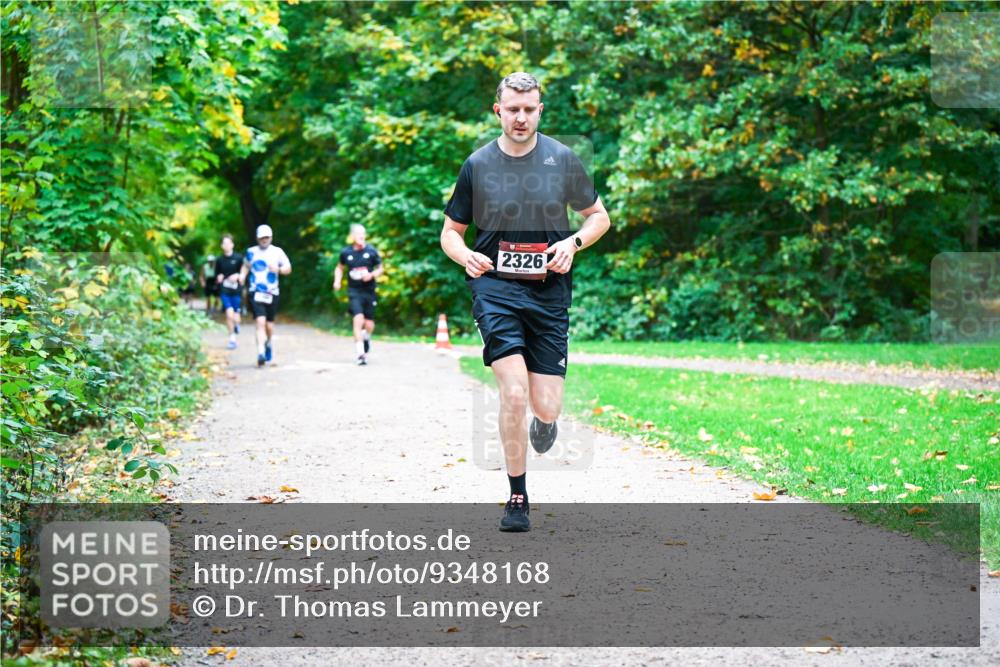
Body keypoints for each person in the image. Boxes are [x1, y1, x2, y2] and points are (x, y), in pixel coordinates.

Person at [440, 72, 611, 532]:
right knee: (512, 393)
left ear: (540, 110)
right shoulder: (477, 164)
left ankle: (546, 422)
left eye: (529, 109)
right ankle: (517, 494)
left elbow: (599, 218)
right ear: (498, 110)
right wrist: (467, 256)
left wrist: (572, 243)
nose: (521, 117)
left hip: (549, 292)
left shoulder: (563, 159)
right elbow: (450, 234)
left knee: (547, 405)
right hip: (495, 288)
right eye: (512, 109)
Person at [240, 224, 292, 367]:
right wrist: (242, 276)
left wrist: (279, 269)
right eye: (262, 237)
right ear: (257, 238)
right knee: (260, 321)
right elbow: (245, 265)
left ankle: (268, 343)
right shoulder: (251, 252)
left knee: (269, 325)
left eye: (267, 237)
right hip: (255, 291)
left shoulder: (277, 252)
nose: (264, 240)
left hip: (272, 291)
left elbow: (288, 268)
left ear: (271, 237)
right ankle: (261, 352)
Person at [333, 224, 384, 365]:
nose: (362, 236)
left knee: (369, 324)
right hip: (354, 291)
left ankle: (366, 337)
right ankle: (360, 354)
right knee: (358, 319)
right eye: (359, 234)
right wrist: (337, 281)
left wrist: (372, 275)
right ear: (353, 236)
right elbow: (339, 267)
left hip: (369, 291)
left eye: (363, 234)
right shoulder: (346, 253)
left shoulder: (371, 251)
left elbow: (380, 268)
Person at [214, 234, 244, 350]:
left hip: (236, 290)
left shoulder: (239, 258)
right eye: (224, 243)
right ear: (222, 246)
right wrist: (219, 277)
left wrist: (237, 276)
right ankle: (232, 339)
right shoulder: (219, 260)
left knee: (236, 316)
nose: (226, 245)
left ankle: (236, 325)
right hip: (225, 290)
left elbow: (243, 273)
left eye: (228, 243)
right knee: (229, 313)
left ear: (232, 244)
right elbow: (217, 275)